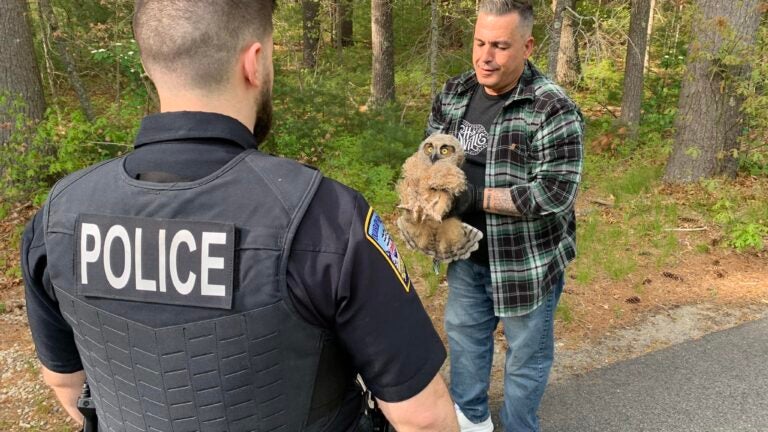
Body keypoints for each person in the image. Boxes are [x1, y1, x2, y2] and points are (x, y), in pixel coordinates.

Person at [21, 1, 459, 431]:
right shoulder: (324, 217)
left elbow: (66, 383)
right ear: (255, 62)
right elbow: (422, 418)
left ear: (148, 64)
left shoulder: (58, 217)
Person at [426, 1, 584, 431]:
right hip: (467, 255)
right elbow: (430, 158)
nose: (485, 57)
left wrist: (474, 198)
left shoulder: (552, 108)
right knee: (465, 343)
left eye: (499, 46)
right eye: (479, 42)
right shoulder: (455, 92)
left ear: (527, 45)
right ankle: (471, 420)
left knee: (526, 358)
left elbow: (555, 192)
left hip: (526, 263)